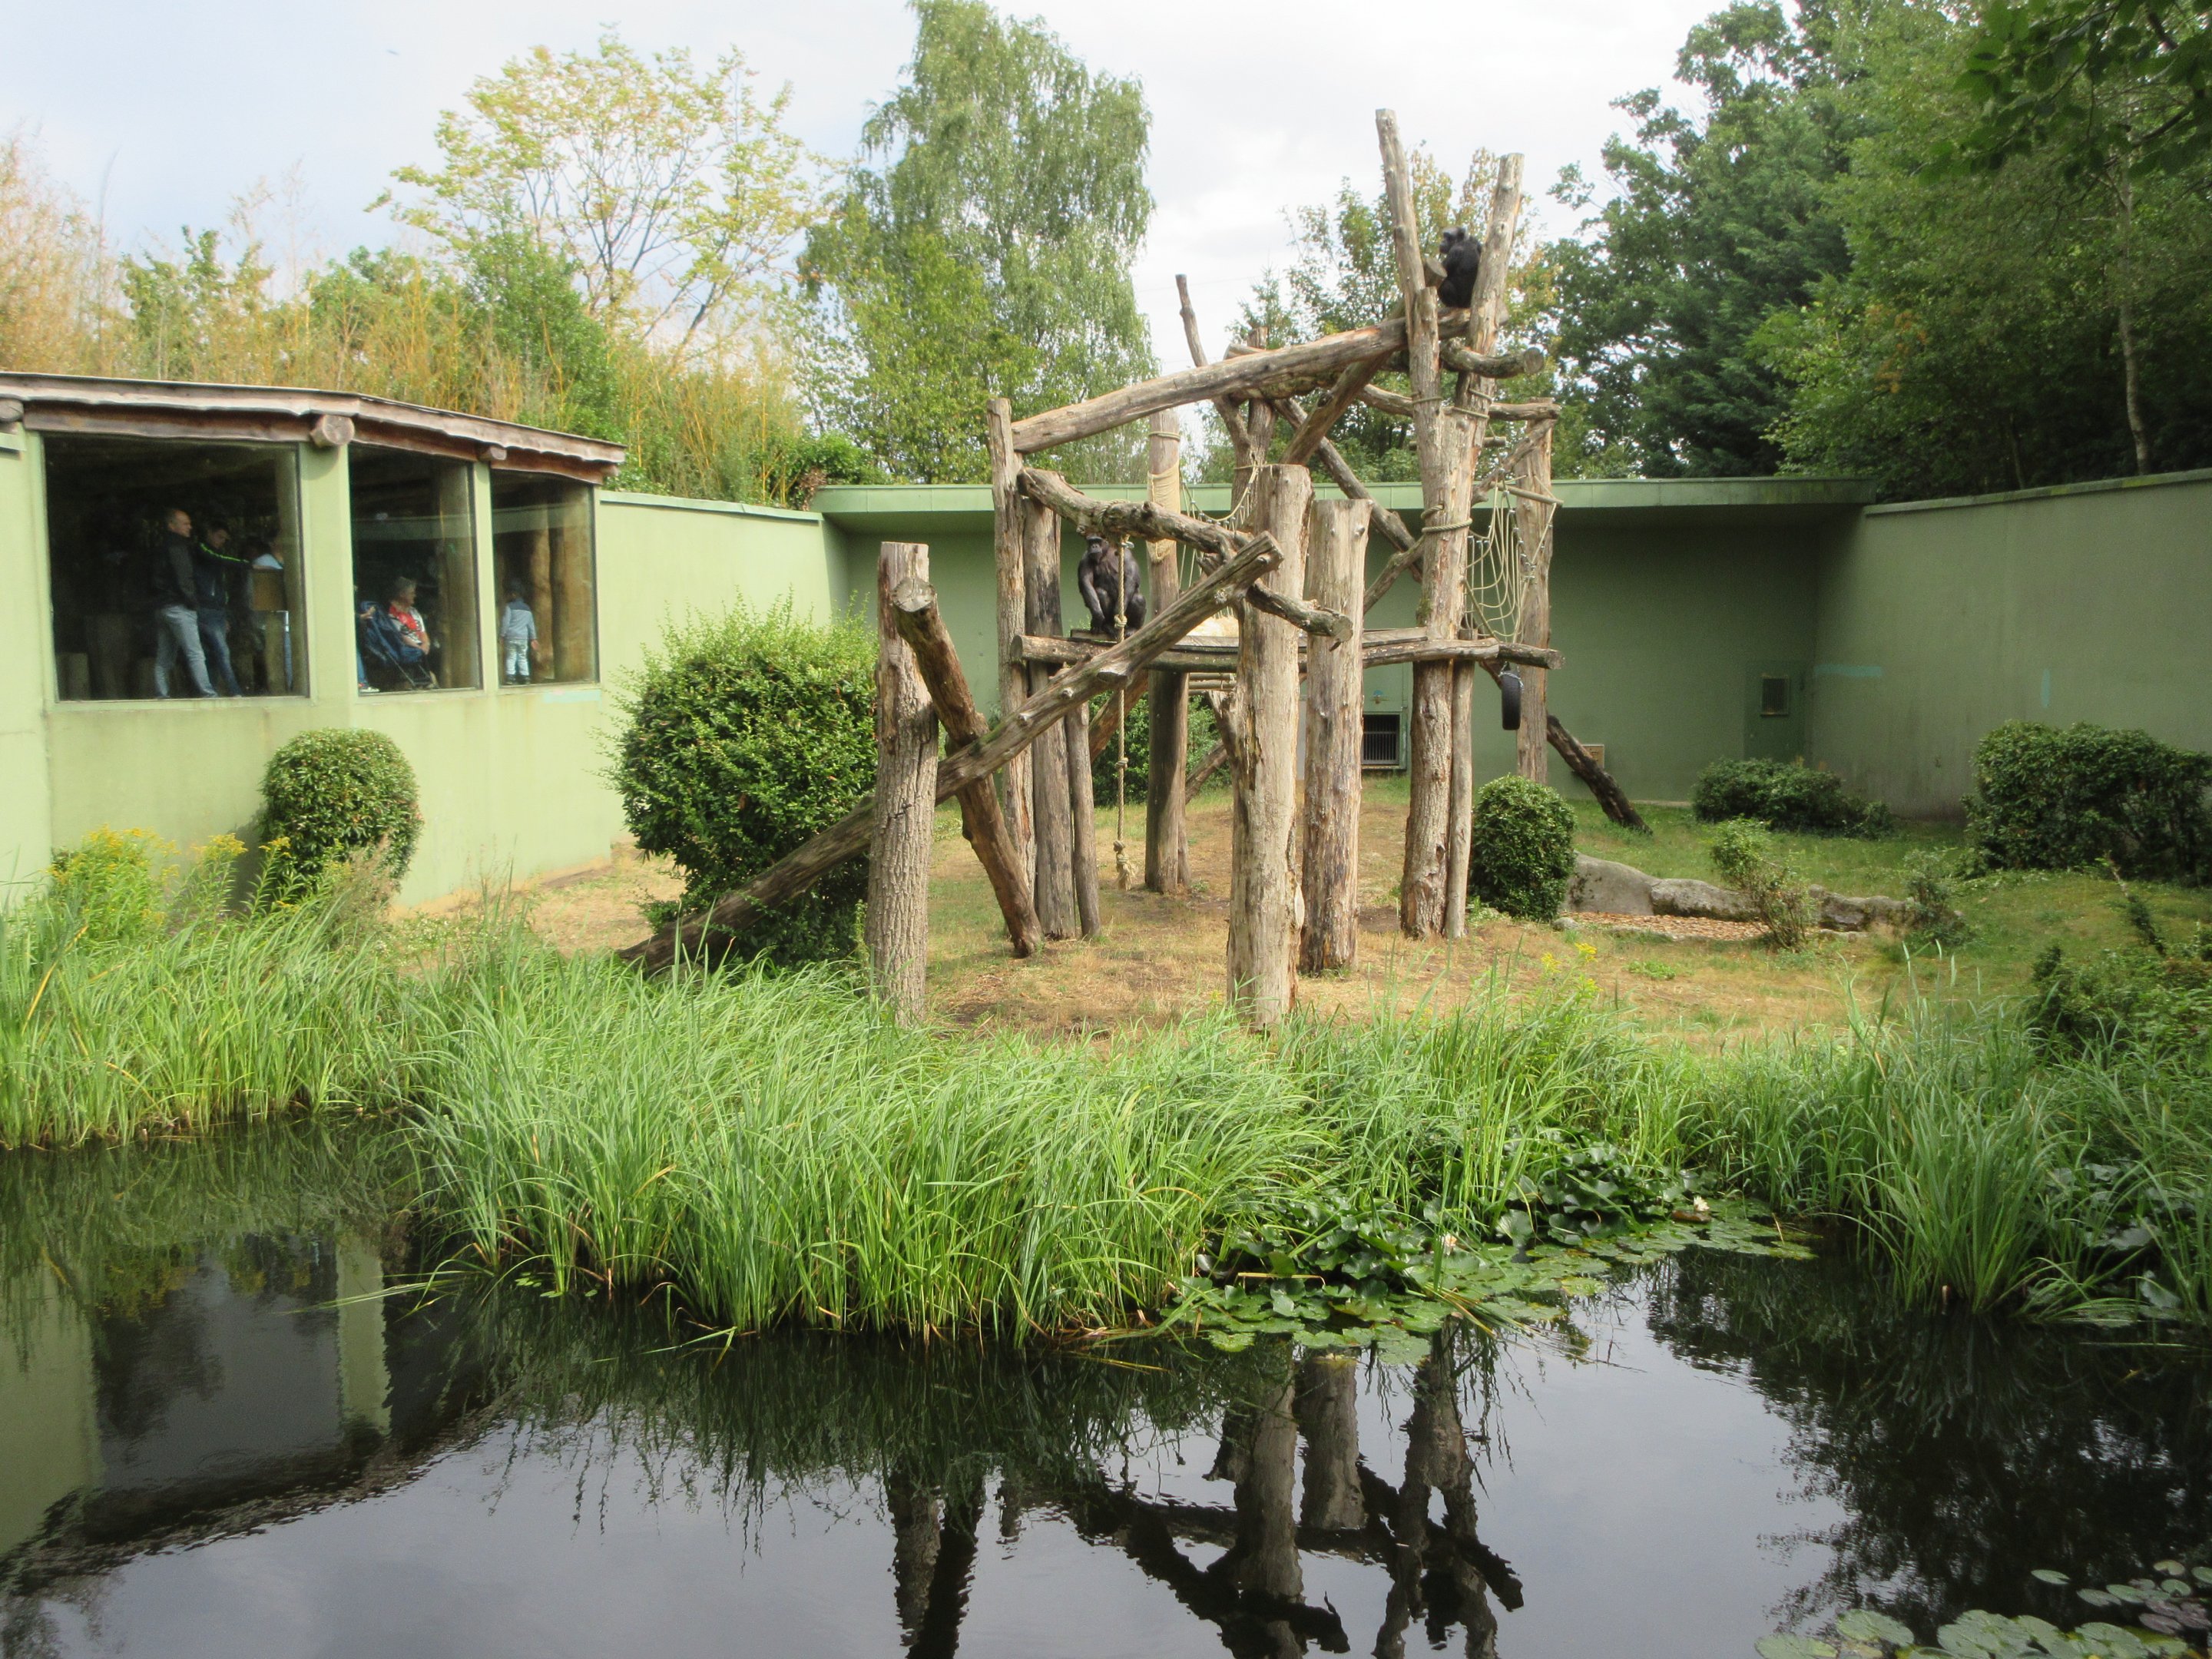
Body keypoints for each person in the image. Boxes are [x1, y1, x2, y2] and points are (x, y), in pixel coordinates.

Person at [149, 506, 214, 698]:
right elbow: (183, 577)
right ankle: (208, 693)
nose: (190, 527)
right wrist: (192, 602)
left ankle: (162, 694)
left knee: (164, 657)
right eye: (185, 523)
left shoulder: (159, 547)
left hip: (162, 607)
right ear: (172, 526)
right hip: (179, 607)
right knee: (195, 653)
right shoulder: (178, 547)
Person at [193, 521, 247, 696]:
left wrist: (226, 616)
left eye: (224, 539)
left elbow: (222, 588)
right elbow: (221, 562)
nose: (221, 541)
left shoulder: (218, 555)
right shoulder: (202, 550)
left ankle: (212, 690)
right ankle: (234, 691)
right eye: (219, 536)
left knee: (213, 654)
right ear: (209, 532)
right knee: (221, 652)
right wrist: (247, 564)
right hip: (206, 608)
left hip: (217, 610)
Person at [499, 581, 538, 684]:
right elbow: (531, 625)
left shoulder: (509, 607)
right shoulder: (527, 609)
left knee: (511, 657)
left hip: (511, 636)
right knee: (523, 657)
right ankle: (526, 677)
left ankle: (510, 677)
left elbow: (506, 622)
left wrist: (502, 635)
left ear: (514, 594)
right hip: (523, 638)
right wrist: (533, 638)